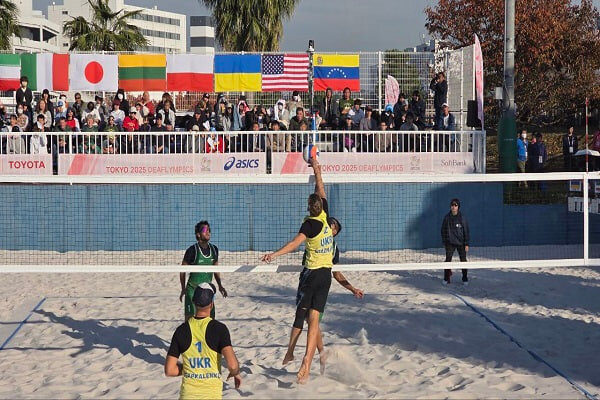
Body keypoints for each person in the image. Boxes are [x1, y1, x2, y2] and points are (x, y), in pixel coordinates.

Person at [261, 157, 334, 383]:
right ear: (321, 206)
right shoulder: (325, 215)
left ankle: (295, 354)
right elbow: (321, 187)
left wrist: (273, 255)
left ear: (308, 208)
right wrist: (316, 168)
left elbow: (294, 244)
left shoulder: (309, 224)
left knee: (303, 317)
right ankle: (308, 363)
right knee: (314, 321)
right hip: (326, 275)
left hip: (311, 275)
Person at [282, 214, 364, 371]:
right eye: (330, 223)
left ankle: (307, 363)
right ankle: (320, 354)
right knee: (308, 320)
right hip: (307, 280)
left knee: (312, 321)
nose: (331, 225)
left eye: (335, 226)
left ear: (335, 232)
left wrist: (352, 288)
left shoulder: (333, 248)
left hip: (321, 282)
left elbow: (337, 273)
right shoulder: (316, 234)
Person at [165, 282, 242, 399]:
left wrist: (189, 369)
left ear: (194, 302)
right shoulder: (220, 329)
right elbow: (232, 365)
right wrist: (235, 372)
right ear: (212, 304)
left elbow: (169, 370)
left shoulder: (181, 330)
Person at [180, 221, 228, 321]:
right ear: (198, 234)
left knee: (211, 320)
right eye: (205, 230)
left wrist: (220, 285)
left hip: (207, 290)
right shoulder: (192, 250)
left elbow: (216, 269)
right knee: (189, 321)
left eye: (209, 230)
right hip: (192, 290)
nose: (208, 232)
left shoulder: (214, 249)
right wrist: (183, 288)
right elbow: (182, 270)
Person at [441, 198, 470, 285]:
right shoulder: (447, 217)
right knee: (448, 260)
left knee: (463, 260)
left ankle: (465, 278)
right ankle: (446, 278)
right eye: (452, 205)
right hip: (450, 243)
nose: (453, 207)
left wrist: (466, 244)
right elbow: (443, 230)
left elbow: (466, 231)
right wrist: (445, 242)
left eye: (455, 205)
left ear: (458, 207)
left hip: (461, 243)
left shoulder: (462, 217)